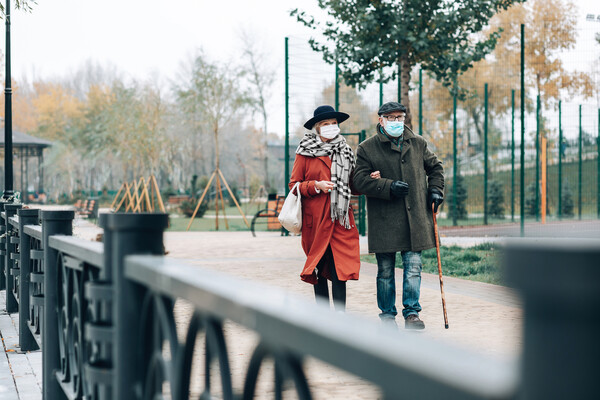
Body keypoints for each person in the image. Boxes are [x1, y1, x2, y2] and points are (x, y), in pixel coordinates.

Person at [352, 102, 444, 329]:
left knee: (414, 267)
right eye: (391, 117)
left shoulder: (418, 143)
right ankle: (387, 316)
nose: (396, 121)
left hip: (416, 220)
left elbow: (436, 168)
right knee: (385, 271)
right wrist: (387, 186)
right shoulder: (367, 148)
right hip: (384, 220)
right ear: (381, 120)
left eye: (400, 117)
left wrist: (435, 189)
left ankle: (412, 314)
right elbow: (358, 180)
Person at [289, 105, 360, 311]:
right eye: (325, 124)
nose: (331, 127)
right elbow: (294, 185)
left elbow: (353, 186)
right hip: (317, 221)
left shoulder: (346, 151)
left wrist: (367, 180)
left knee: (340, 269)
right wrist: (316, 186)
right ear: (317, 128)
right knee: (318, 269)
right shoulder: (305, 151)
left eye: (334, 123)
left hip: (340, 219)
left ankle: (339, 319)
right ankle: (322, 319)